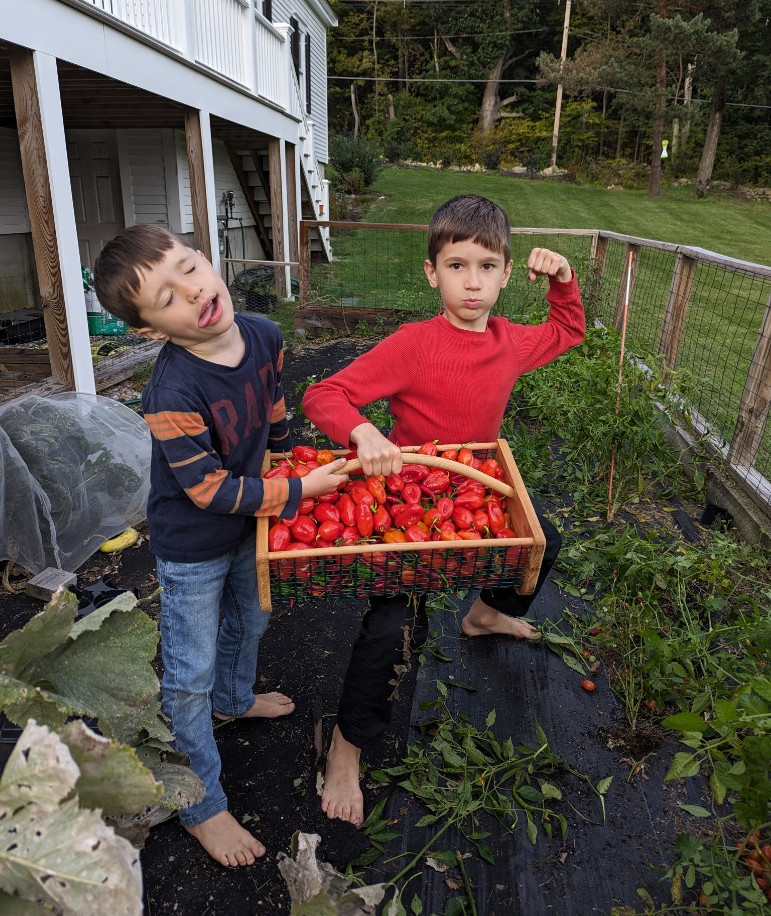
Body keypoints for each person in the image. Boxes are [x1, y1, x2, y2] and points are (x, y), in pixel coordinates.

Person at [302, 194, 585, 828]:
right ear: (432, 273)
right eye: (457, 266)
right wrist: (363, 433)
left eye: (487, 266)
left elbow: (568, 330)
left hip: (477, 488)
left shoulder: (510, 343)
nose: (473, 282)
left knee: (544, 543)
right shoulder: (412, 345)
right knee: (389, 625)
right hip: (410, 499)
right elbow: (324, 392)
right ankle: (347, 748)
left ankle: (484, 615)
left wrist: (564, 282)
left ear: (508, 273)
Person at [93, 225, 349, 867]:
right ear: (153, 330)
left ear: (205, 258)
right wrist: (298, 490)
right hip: (194, 545)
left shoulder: (263, 332)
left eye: (188, 267)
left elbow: (276, 408)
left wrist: (294, 461)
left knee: (255, 616)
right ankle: (200, 805)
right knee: (188, 673)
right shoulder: (172, 393)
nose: (194, 291)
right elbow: (206, 490)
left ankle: (234, 702)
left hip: (252, 522)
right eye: (168, 297)